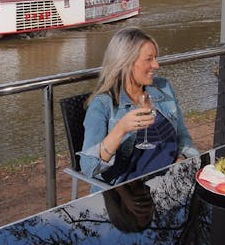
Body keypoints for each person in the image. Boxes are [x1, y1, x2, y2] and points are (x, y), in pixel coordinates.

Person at [79, 27, 200, 187]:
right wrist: (120, 129)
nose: (156, 65)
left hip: (171, 182)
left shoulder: (163, 88)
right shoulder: (102, 105)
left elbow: (183, 136)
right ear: (126, 62)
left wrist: (182, 159)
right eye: (149, 59)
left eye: (155, 58)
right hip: (130, 193)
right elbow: (88, 168)